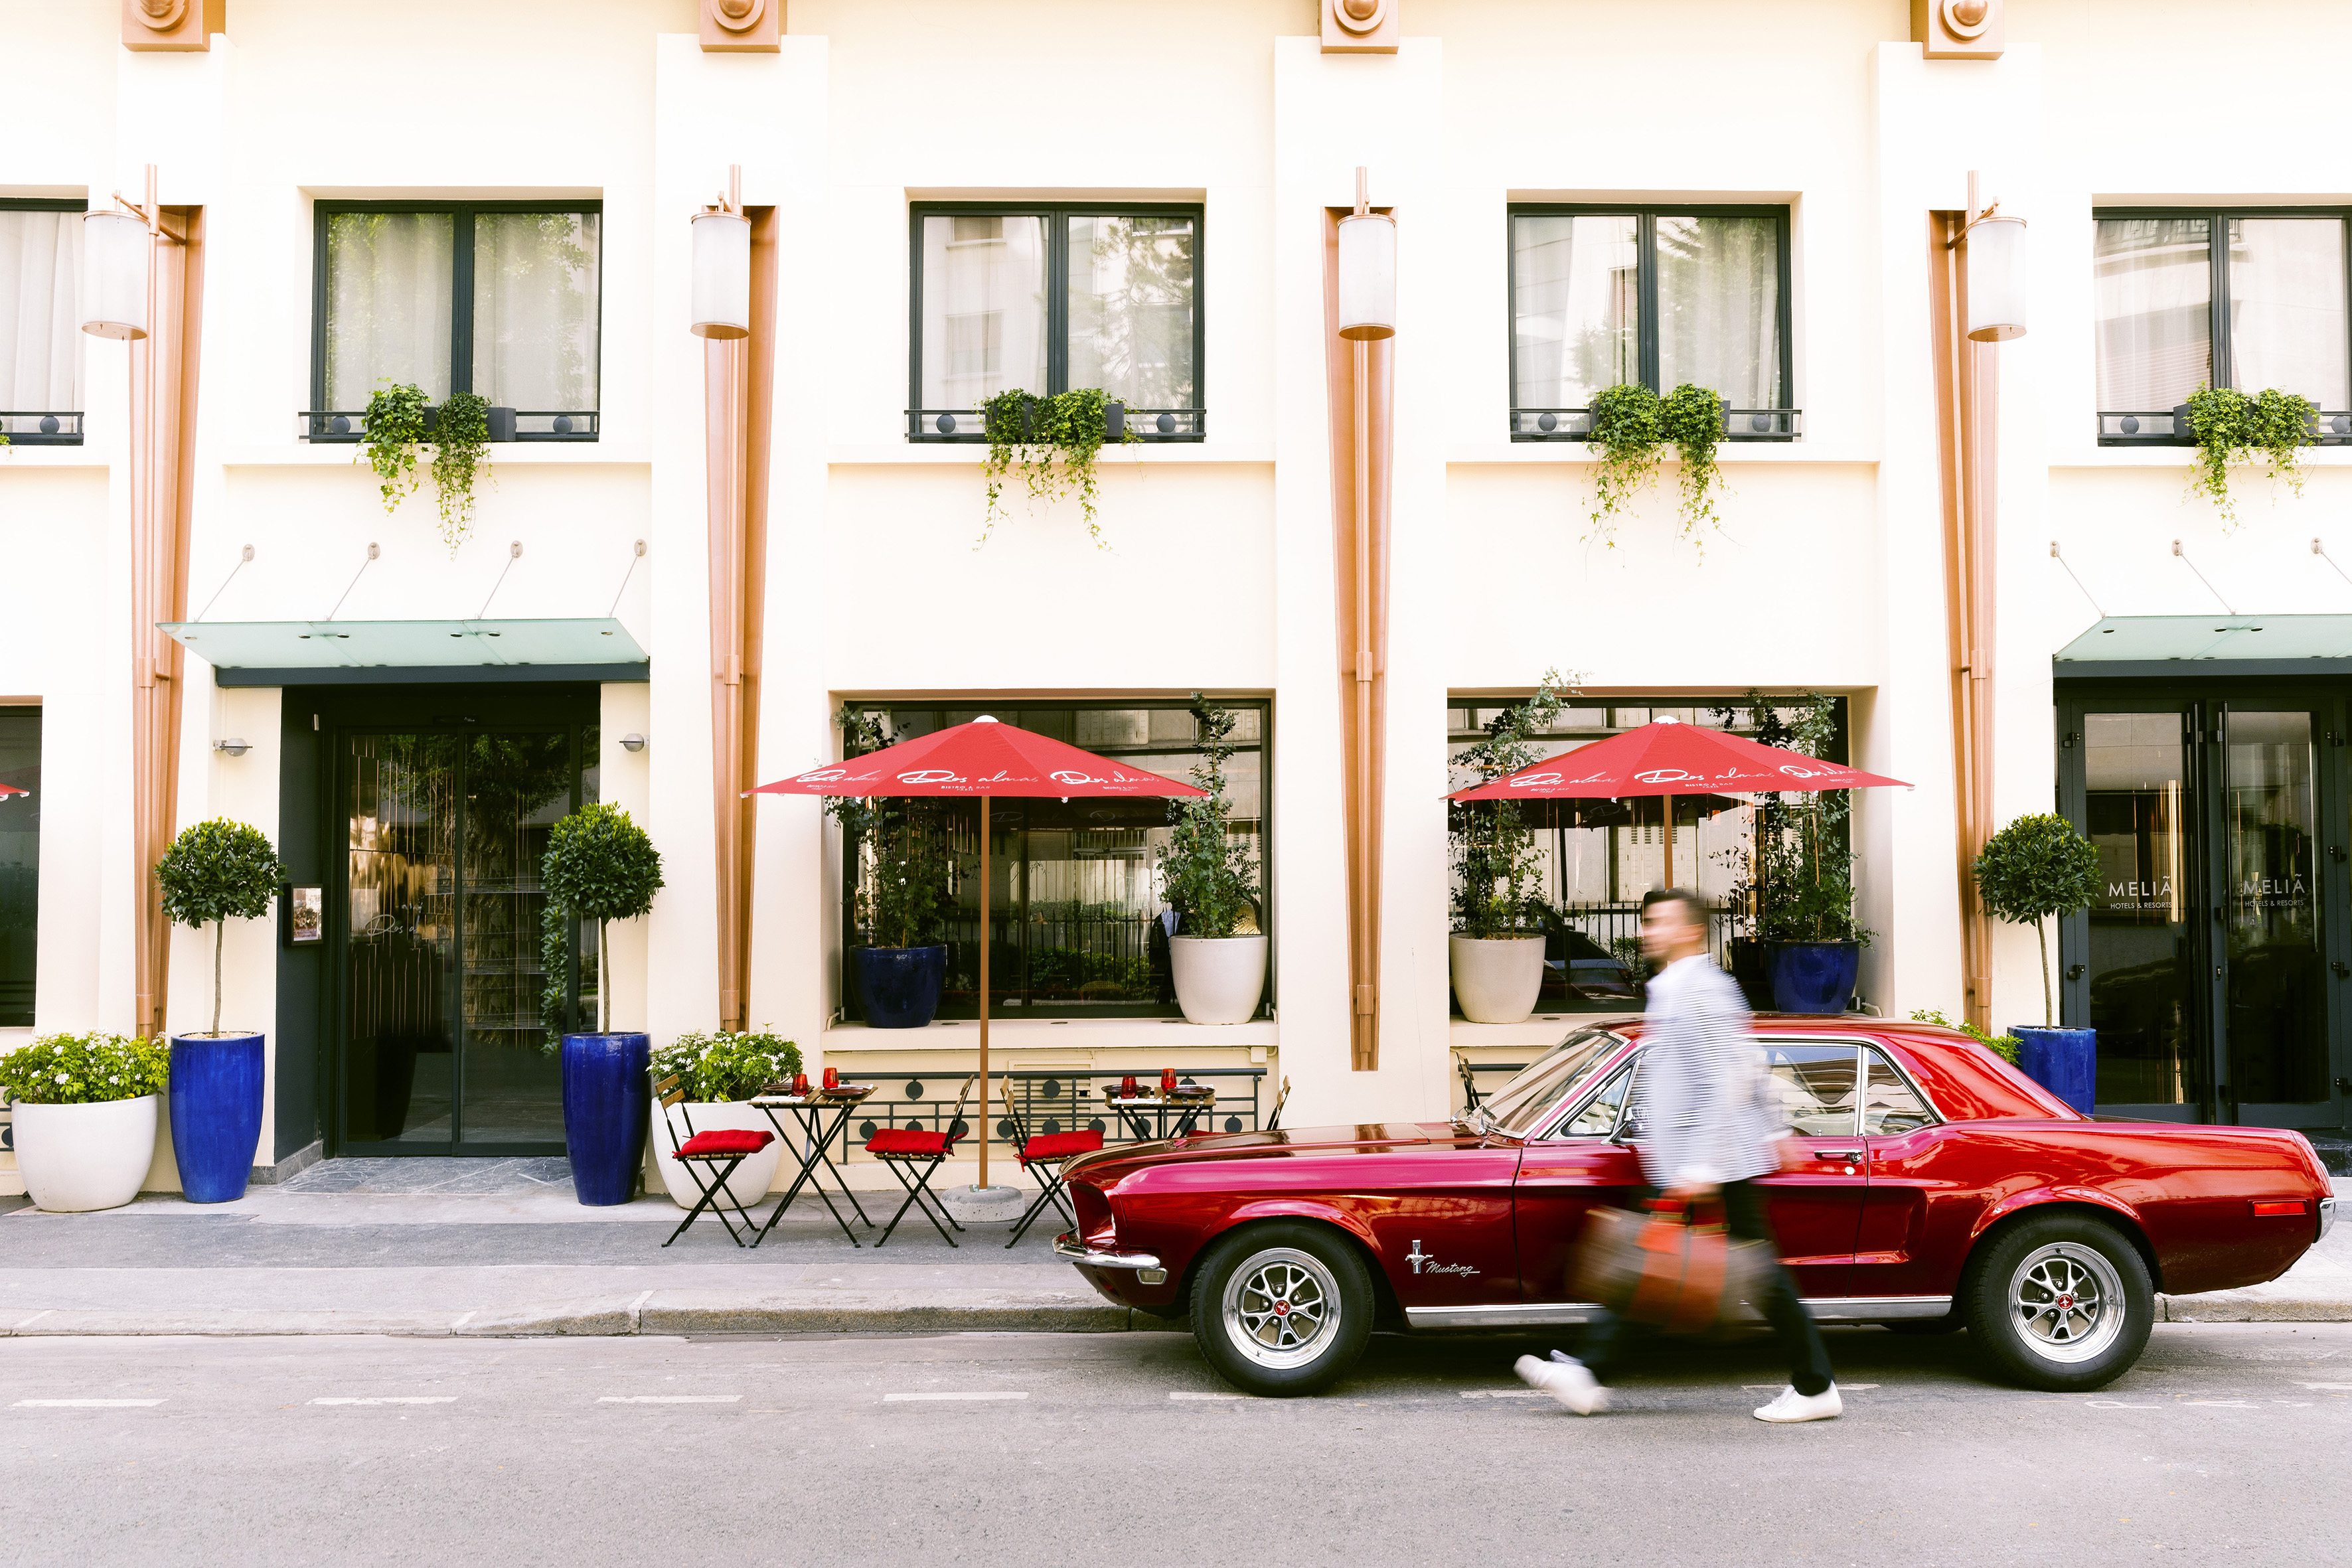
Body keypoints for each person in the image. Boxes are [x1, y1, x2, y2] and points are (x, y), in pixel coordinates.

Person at [1515, 887, 1842, 1423]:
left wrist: (1700, 1167)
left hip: (1708, 1160)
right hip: (1699, 1157)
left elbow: (1722, 1079)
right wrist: (1772, 1127)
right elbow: (1747, 1062)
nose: (1647, 930)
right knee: (1680, 1263)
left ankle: (1813, 1386)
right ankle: (1589, 1371)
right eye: (1647, 921)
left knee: (1660, 1260)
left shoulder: (1702, 990)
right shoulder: (1676, 989)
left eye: (1658, 922)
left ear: (1689, 930)